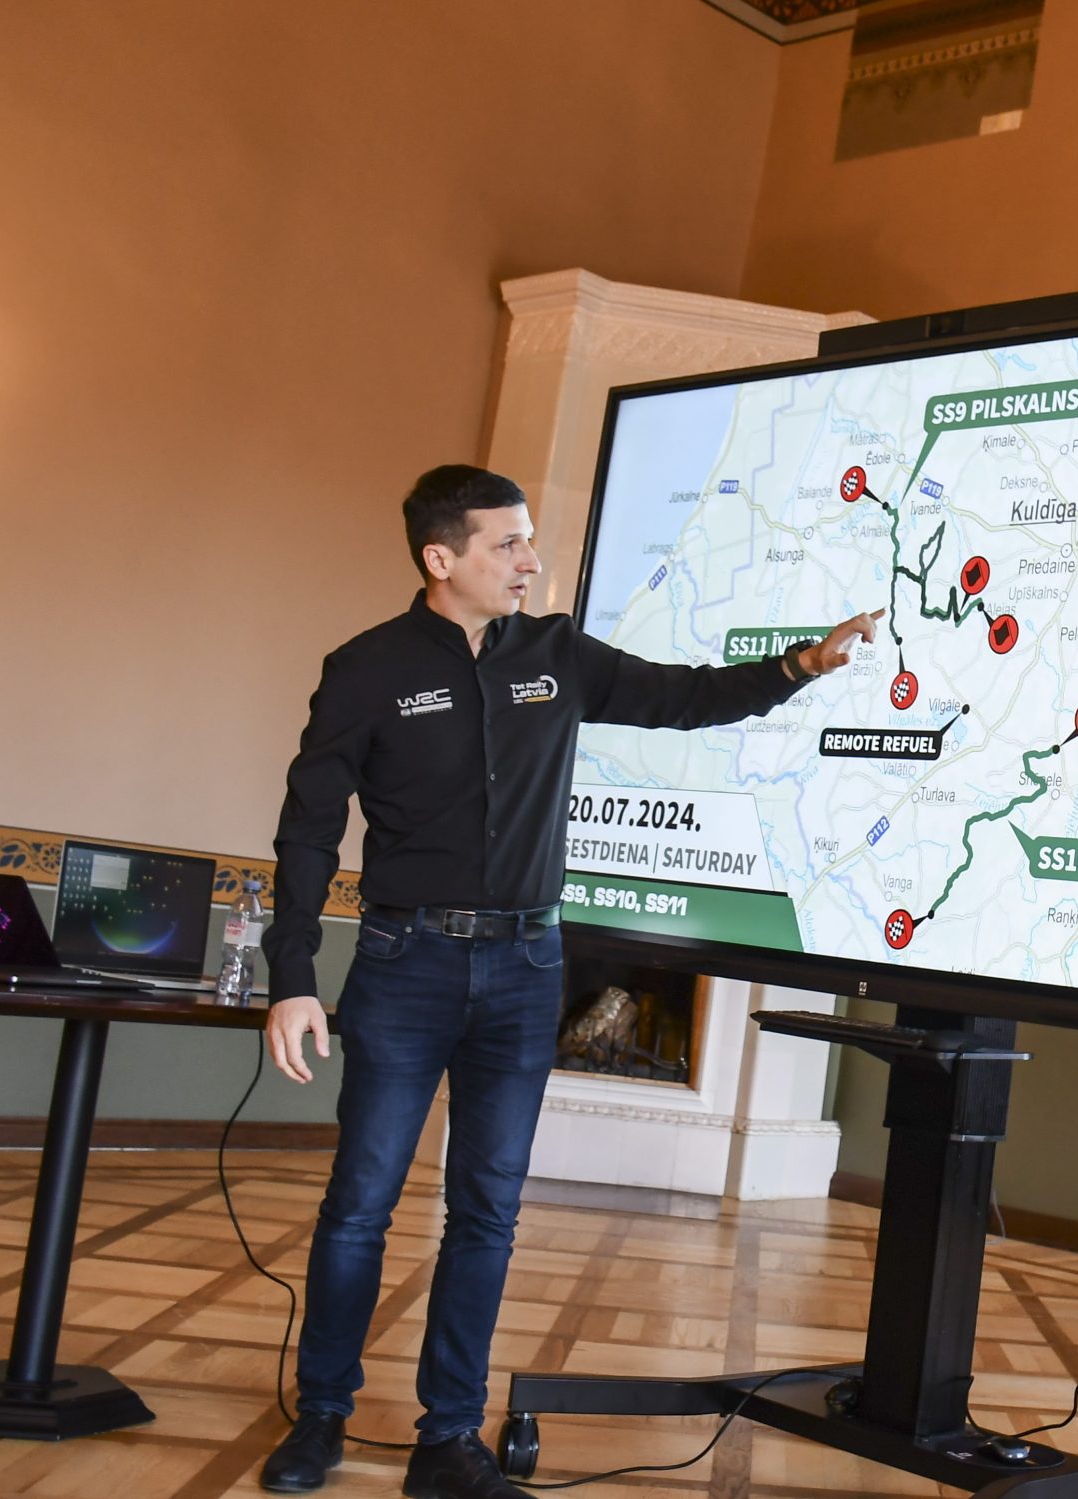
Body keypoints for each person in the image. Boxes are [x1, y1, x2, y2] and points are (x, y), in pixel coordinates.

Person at [254, 464, 878, 1499]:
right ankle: (321, 1414)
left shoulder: (556, 654)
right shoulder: (365, 669)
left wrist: (799, 664)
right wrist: (291, 977)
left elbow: (682, 696)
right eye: (507, 543)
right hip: (405, 967)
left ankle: (448, 1438)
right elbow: (308, 831)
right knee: (359, 1204)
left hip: (526, 969)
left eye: (528, 539)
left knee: (487, 1213)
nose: (530, 560)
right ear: (440, 557)